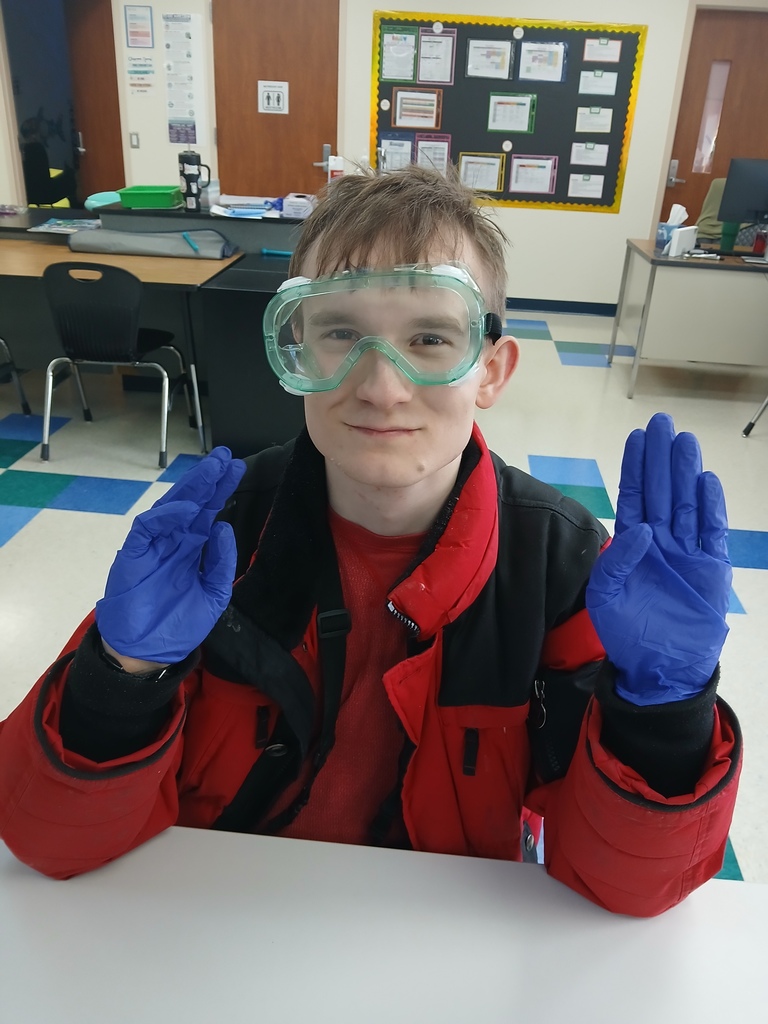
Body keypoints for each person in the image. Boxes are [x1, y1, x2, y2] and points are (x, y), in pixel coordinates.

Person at [0, 166, 740, 916]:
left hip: (445, 938)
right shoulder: (217, 537)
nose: (381, 387)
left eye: (429, 337)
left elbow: (623, 888)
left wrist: (664, 714)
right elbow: (51, 841)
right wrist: (120, 680)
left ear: (491, 368)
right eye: (342, 333)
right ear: (295, 353)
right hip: (221, 925)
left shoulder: (563, 570)